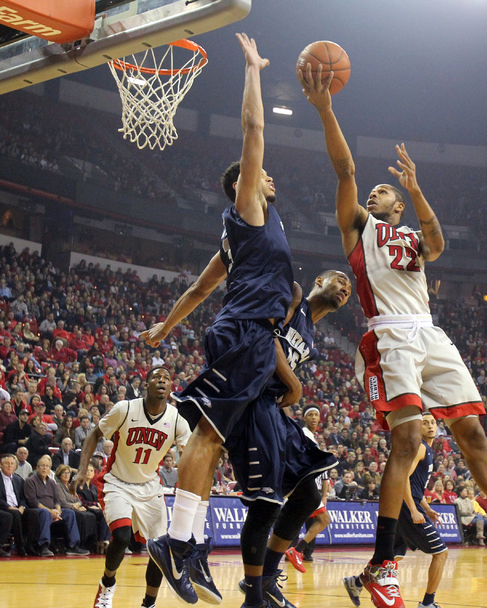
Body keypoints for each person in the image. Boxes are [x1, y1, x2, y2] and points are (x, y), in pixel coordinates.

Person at [299, 59, 487, 608]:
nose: (373, 194)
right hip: (389, 338)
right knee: (407, 442)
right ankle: (383, 564)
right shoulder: (359, 230)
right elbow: (345, 169)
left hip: (431, 335)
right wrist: (325, 110)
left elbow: (437, 243)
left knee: (473, 436)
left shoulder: (413, 236)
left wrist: (416, 190)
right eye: (373, 192)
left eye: (382, 192)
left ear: (398, 204)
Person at [143, 34, 296, 607]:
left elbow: (200, 288)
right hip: (246, 332)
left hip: (245, 331)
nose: (271, 178)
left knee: (219, 437)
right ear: (243, 184)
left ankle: (189, 543)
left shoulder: (237, 238)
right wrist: (253, 70)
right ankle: (176, 542)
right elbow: (253, 131)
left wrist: (165, 327)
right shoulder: (249, 207)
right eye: (262, 174)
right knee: (209, 433)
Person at [233, 272, 350, 608]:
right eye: (341, 281)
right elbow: (264, 337)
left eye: (350, 289)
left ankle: (268, 576)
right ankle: (254, 594)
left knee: (307, 495)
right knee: (266, 503)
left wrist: (289, 387)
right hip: (251, 398)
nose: (346, 289)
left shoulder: (311, 333)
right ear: (320, 280)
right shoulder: (295, 295)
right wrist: (294, 384)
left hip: (272, 406)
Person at [72, 367, 191, 608]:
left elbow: (190, 455)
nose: (162, 381)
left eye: (166, 379)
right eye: (156, 377)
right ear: (146, 385)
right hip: (118, 482)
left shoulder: (177, 419)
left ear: (170, 388)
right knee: (121, 536)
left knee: (159, 550)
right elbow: (94, 434)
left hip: (149, 487)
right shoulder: (125, 409)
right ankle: (107, 585)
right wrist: (83, 469)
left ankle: (149, 603)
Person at [345, 413, 447, 608]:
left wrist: (427, 508)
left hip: (406, 504)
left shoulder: (427, 450)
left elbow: (416, 487)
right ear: (418, 428)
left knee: (392, 556)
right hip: (406, 506)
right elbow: (403, 477)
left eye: (433, 423)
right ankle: (428, 603)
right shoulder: (420, 447)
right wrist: (413, 509)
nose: (430, 426)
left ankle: (356, 582)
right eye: (425, 423)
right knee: (441, 553)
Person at [285, 404, 333, 568]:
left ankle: (294, 551)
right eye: (310, 414)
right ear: (304, 418)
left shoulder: (312, 436)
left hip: (305, 485)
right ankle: (296, 550)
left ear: (319, 418)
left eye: (316, 415)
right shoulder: (305, 434)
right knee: (323, 520)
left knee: (295, 522)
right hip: (304, 484)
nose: (313, 417)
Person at [23, 455, 89, 556]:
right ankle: (43, 546)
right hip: (37, 510)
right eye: (42, 466)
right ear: (37, 468)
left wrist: (58, 511)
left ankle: (72, 546)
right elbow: (33, 502)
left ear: (50, 469)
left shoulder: (51, 482)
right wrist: (51, 512)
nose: (45, 468)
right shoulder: (30, 481)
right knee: (45, 513)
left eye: (47, 466)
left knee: (70, 513)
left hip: (53, 510)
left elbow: (57, 500)